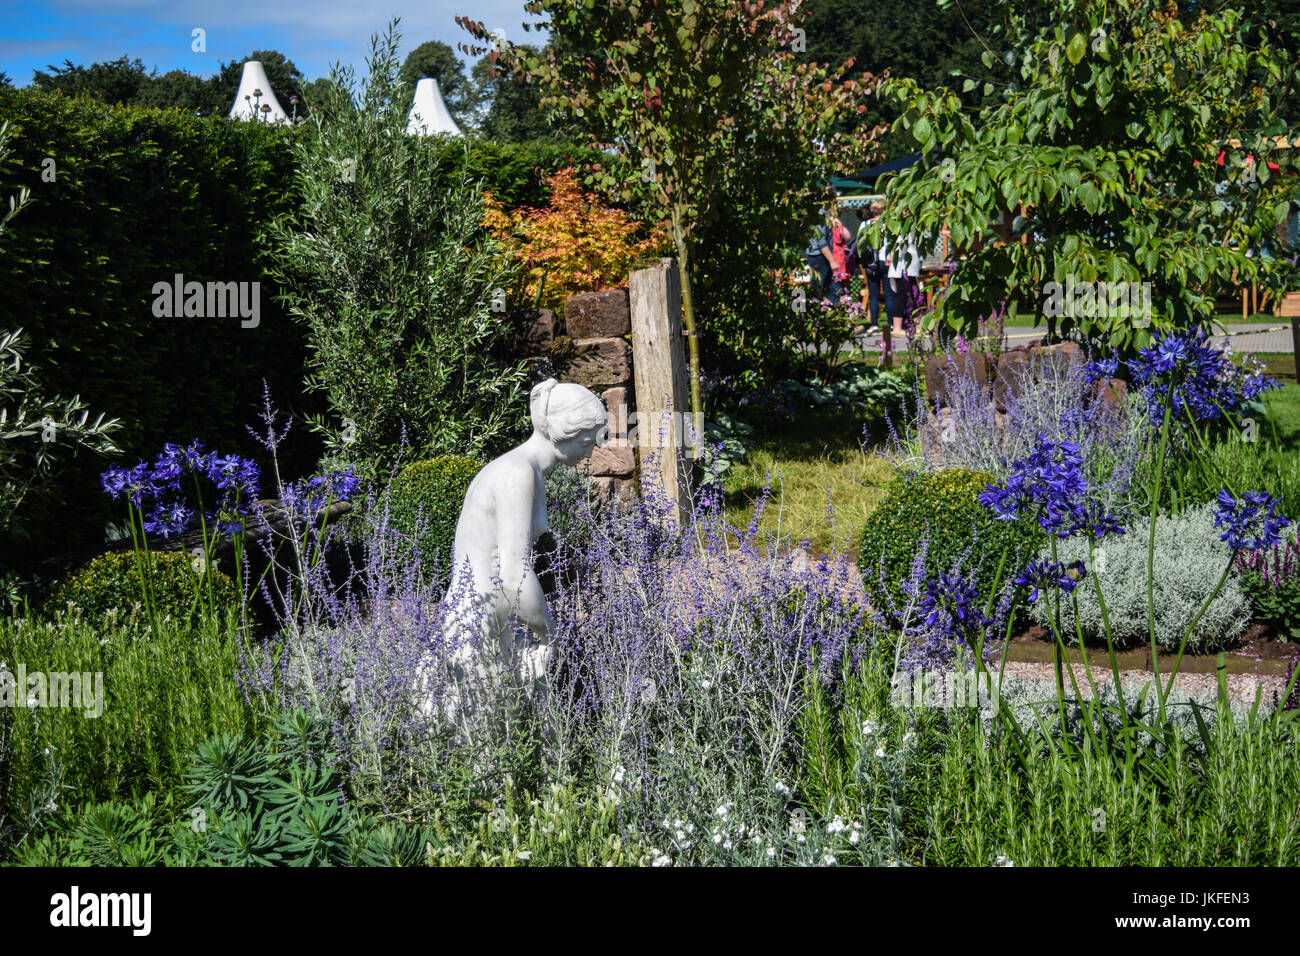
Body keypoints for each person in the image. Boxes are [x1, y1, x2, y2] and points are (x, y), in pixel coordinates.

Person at [422, 377, 607, 725]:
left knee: (513, 737)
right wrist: (551, 636)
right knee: (487, 742)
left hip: (491, 614)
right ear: (561, 433)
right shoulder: (516, 475)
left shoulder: (522, 470)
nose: (591, 451)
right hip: (481, 619)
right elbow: (514, 574)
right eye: (586, 441)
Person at [857, 200, 885, 330]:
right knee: (890, 293)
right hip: (885, 260)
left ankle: (874, 323)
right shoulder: (886, 224)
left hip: (870, 262)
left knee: (874, 294)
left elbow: (860, 243)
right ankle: (891, 323)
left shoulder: (865, 224)